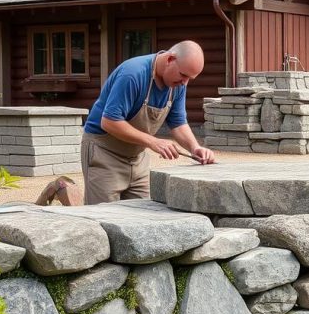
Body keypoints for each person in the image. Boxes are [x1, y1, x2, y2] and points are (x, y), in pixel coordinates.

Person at [81, 40, 215, 205]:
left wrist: (195, 148)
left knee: (145, 214)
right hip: (104, 154)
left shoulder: (177, 84)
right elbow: (109, 121)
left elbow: (178, 123)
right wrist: (153, 141)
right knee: (103, 217)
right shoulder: (133, 74)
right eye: (183, 75)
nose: (185, 83)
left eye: (190, 78)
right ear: (170, 59)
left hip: (137, 158)